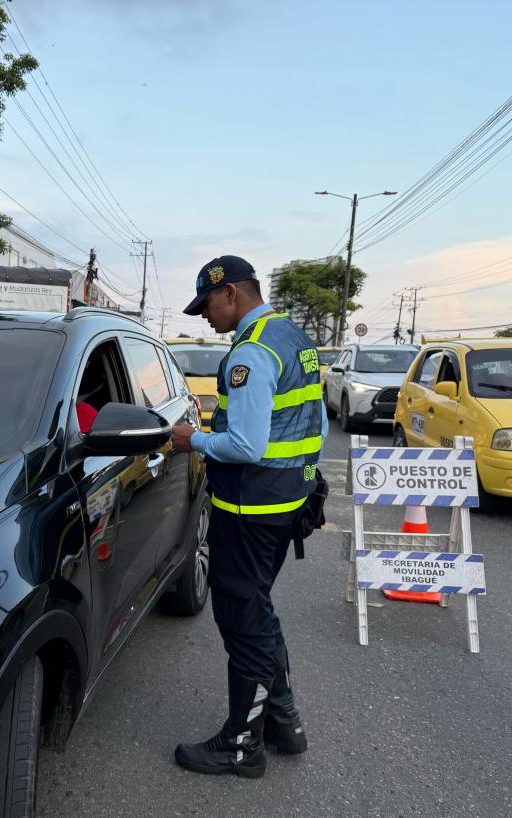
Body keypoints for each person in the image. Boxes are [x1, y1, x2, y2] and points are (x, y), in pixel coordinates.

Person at [169, 255, 327, 779]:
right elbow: (316, 425)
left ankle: (241, 745)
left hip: (250, 507)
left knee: (243, 624)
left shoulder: (253, 352)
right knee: (257, 611)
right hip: (285, 501)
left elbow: (246, 444)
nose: (204, 315)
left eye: (207, 304)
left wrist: (194, 440)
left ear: (231, 293)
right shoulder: (295, 338)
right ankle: (283, 723)